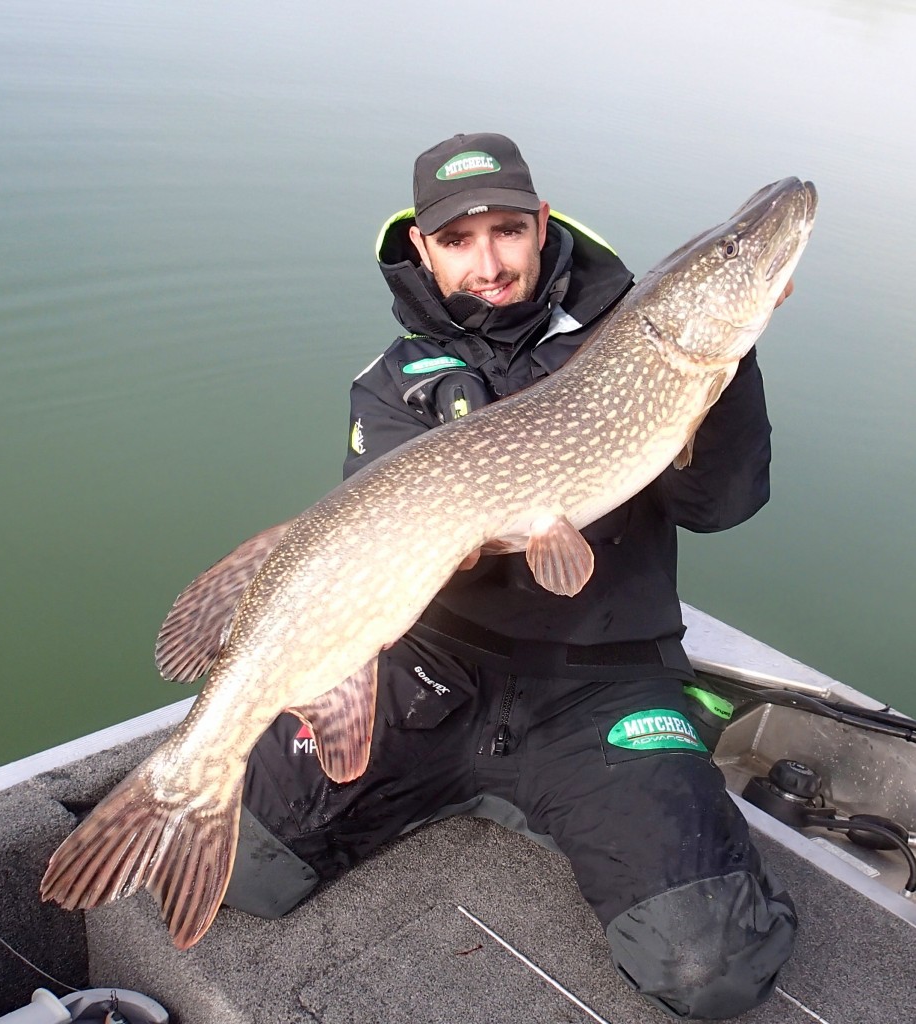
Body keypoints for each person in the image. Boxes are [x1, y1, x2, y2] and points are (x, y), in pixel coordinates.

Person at [226, 133, 798, 1020]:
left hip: (600, 690)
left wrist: (733, 360)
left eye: (505, 231)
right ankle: (465, 786)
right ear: (423, 248)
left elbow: (719, 507)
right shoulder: (391, 384)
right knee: (242, 867)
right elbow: (370, 555)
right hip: (430, 682)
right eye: (458, 240)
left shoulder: (635, 343)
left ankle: (565, 799)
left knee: (710, 966)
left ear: (539, 226)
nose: (487, 261)